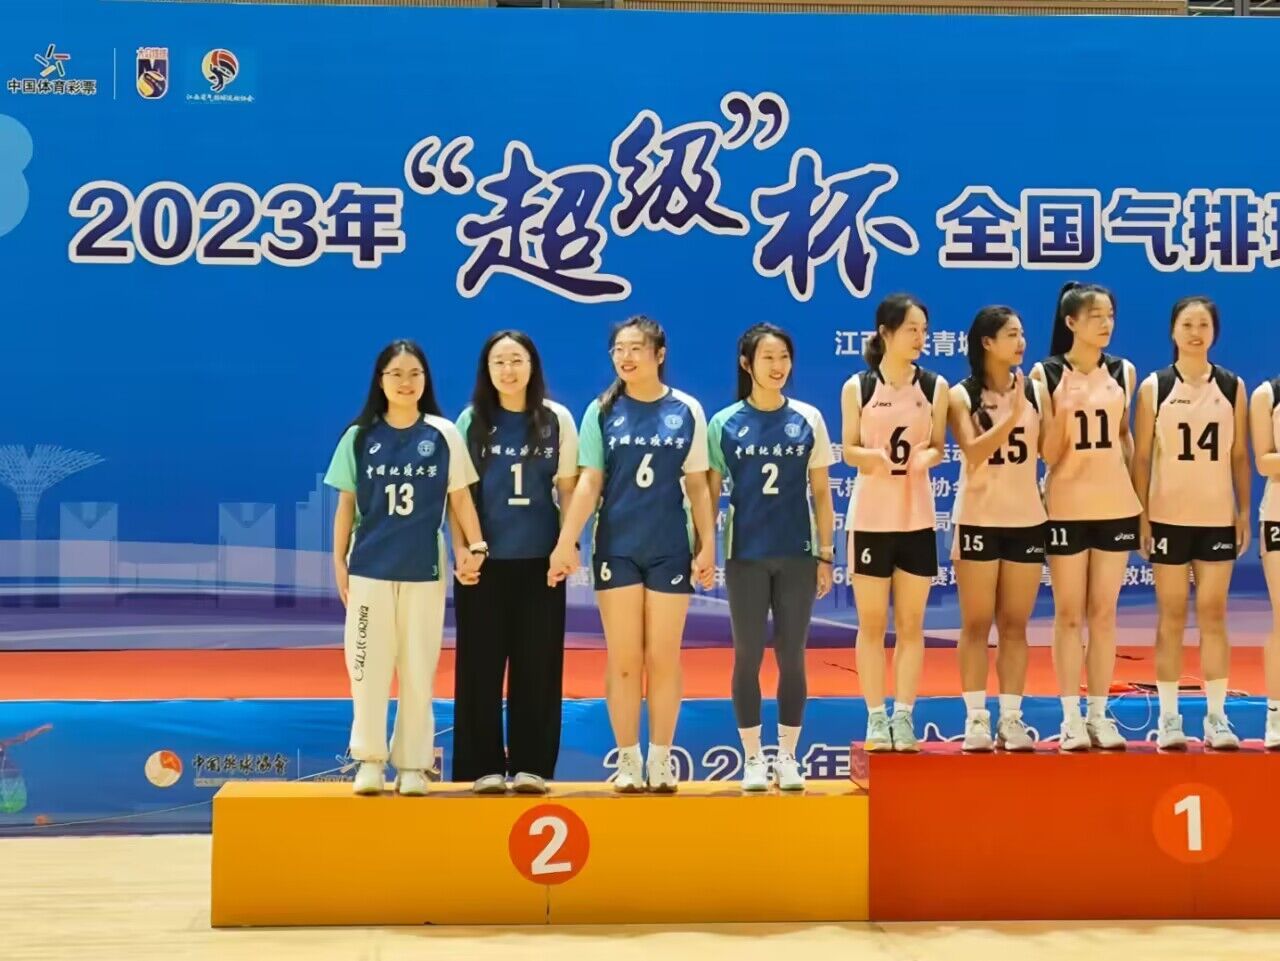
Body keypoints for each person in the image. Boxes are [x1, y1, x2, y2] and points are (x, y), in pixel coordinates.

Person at [548, 316, 716, 793]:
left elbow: (698, 485)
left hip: (669, 548)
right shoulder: (602, 410)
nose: (626, 357)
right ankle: (627, 759)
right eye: (618, 349)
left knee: (663, 658)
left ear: (659, 354)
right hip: (617, 547)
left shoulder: (686, 409)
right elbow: (590, 482)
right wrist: (566, 540)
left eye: (636, 348)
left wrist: (707, 544)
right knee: (624, 660)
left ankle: (661, 759)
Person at [325, 340, 485, 796]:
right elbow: (346, 503)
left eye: (414, 373)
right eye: (395, 374)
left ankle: (413, 764)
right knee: (367, 669)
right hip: (369, 569)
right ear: (380, 381)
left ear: (425, 380)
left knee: (418, 669)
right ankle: (369, 760)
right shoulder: (359, 436)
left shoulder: (443, 434)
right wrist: (338, 562)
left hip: (423, 570)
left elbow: (460, 498)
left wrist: (476, 547)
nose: (405, 382)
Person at [707, 323, 836, 791]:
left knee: (792, 654)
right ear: (747, 364)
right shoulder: (724, 423)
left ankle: (787, 755)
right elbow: (709, 494)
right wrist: (703, 547)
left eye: (783, 357)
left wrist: (826, 555)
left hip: (797, 555)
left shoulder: (808, 418)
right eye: (767, 357)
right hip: (745, 555)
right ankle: (752, 757)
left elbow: (822, 493)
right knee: (747, 654)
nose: (778, 366)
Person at [450, 331, 579, 794]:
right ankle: (480, 767)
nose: (508, 370)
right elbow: (458, 495)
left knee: (538, 669)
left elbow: (569, 490)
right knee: (479, 669)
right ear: (487, 370)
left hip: (541, 565)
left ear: (532, 366)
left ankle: (533, 766)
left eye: (516, 360)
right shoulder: (471, 421)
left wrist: (568, 545)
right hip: (485, 565)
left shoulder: (556, 419)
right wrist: (461, 550)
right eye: (499, 362)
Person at [1132, 297, 1247, 751]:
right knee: (1173, 615)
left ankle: (1217, 718)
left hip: (1216, 516)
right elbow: (1141, 457)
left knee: (1214, 614)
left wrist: (1242, 511)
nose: (1196, 333)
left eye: (1203, 325)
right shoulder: (1155, 387)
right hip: (1167, 517)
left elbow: (1239, 455)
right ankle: (1169, 718)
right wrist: (1142, 515)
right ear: (1173, 331)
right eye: (1187, 324)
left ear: (1214, 332)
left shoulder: (1232, 386)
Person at [1030, 282, 1140, 752]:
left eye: (1110, 314)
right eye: (1096, 316)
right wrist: (1058, 407)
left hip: (1115, 504)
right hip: (1066, 507)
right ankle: (1071, 716)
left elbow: (1125, 436)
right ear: (1071, 322)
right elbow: (1047, 451)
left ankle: (1099, 713)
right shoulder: (1047, 373)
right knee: (1069, 614)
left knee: (1105, 613)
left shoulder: (1123, 371)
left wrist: (1138, 495)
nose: (1106, 323)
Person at [841, 294, 949, 752]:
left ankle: (903, 715)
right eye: (911, 329)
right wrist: (873, 458)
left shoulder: (934, 386)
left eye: (924, 330)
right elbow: (848, 448)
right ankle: (875, 715)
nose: (920, 338)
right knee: (870, 624)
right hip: (870, 519)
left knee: (911, 623)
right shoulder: (859, 387)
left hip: (916, 518)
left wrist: (927, 457)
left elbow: (938, 445)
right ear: (885, 333)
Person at [947, 306, 1047, 752]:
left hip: (1026, 519)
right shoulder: (961, 395)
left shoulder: (1037, 390)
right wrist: (1013, 414)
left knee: (1015, 625)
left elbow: (1051, 449)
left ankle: (1011, 718)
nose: (1021, 342)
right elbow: (973, 452)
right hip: (978, 518)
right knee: (976, 624)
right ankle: (975, 719)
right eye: (1011, 334)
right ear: (987, 342)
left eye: (1022, 333)